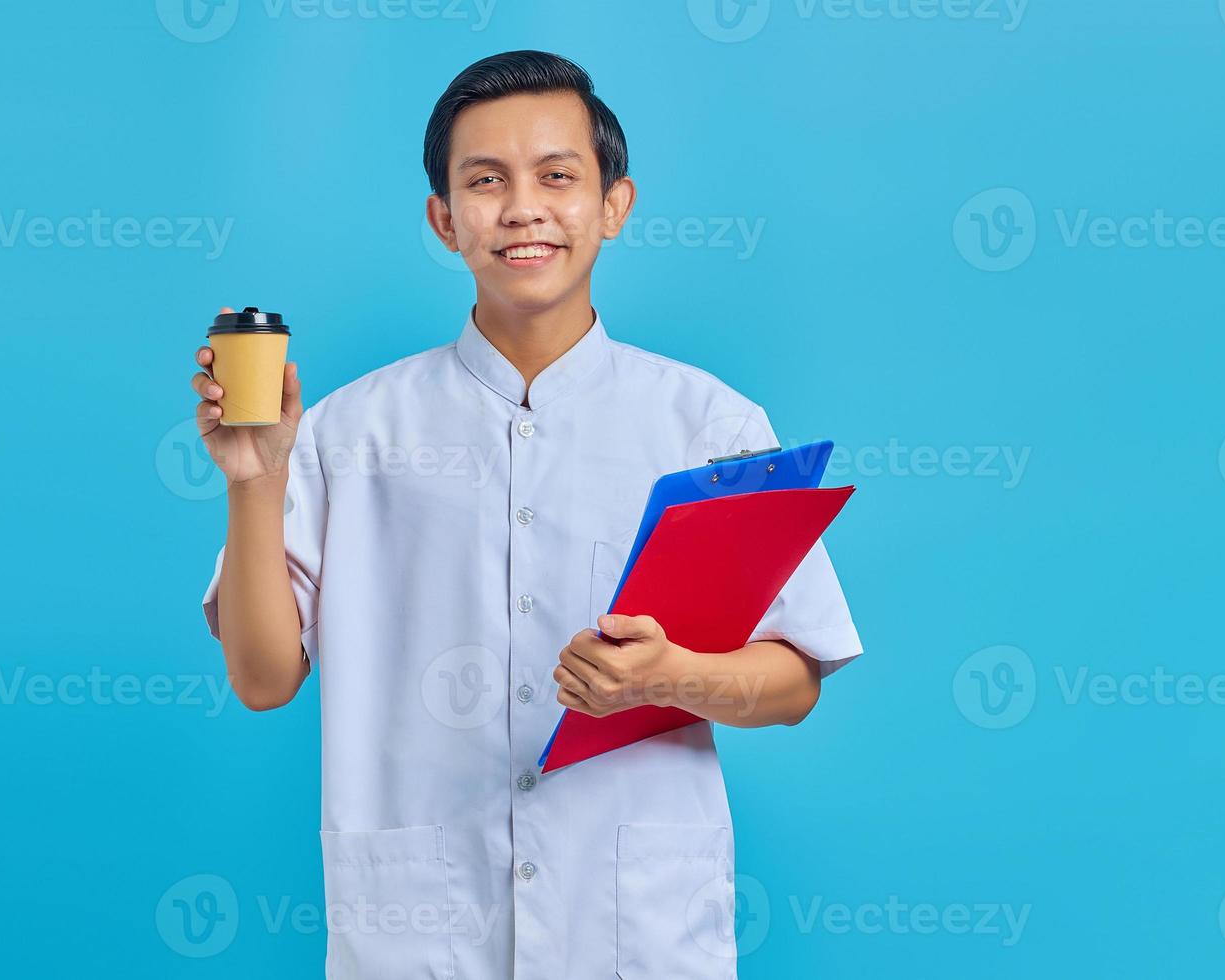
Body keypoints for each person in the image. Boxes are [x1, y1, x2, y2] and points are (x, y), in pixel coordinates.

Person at [188, 49, 863, 980]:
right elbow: (264, 678)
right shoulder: (352, 430)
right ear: (443, 217)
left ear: (614, 204)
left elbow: (794, 681)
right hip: (421, 930)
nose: (523, 208)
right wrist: (254, 478)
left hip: (633, 930)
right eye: (485, 181)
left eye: (557, 176)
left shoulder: (710, 424)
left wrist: (675, 677)